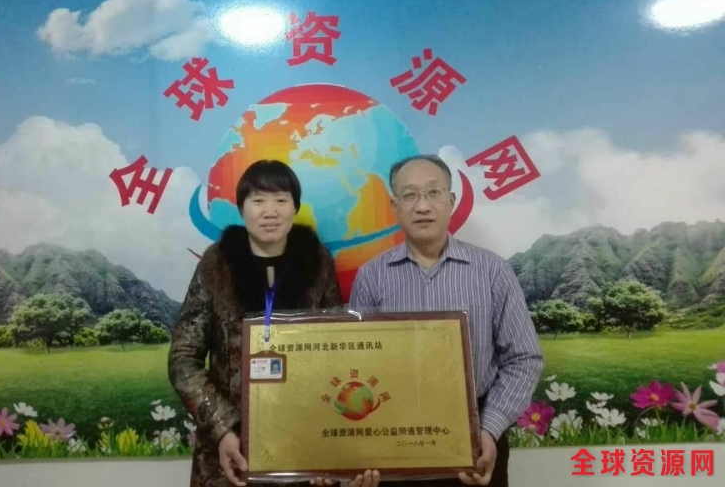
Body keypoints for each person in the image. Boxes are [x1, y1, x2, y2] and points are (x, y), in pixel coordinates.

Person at [169, 159, 380, 487]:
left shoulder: (317, 264)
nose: (270, 211)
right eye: (258, 201)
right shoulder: (217, 265)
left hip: (303, 441)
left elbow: (336, 351)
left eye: (281, 200)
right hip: (229, 449)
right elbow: (183, 359)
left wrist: (329, 437)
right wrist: (223, 427)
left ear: (295, 207)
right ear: (242, 209)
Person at [348, 155, 544, 487]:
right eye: (409, 195)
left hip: (476, 436)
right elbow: (356, 362)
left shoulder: (492, 271)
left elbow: (524, 358)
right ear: (395, 207)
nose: (423, 206)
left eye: (433, 193)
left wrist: (489, 428)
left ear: (451, 201)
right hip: (396, 433)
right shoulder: (371, 277)